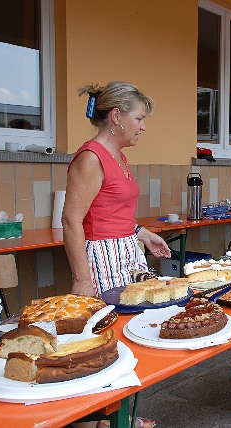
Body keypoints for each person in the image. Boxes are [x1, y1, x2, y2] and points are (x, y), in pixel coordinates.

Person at [62, 81, 171, 298]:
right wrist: (82, 280)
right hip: (104, 257)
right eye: (139, 119)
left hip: (127, 251)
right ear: (116, 116)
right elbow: (70, 220)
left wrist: (143, 234)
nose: (143, 127)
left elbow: (112, 211)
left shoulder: (119, 156)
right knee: (113, 322)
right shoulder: (91, 158)